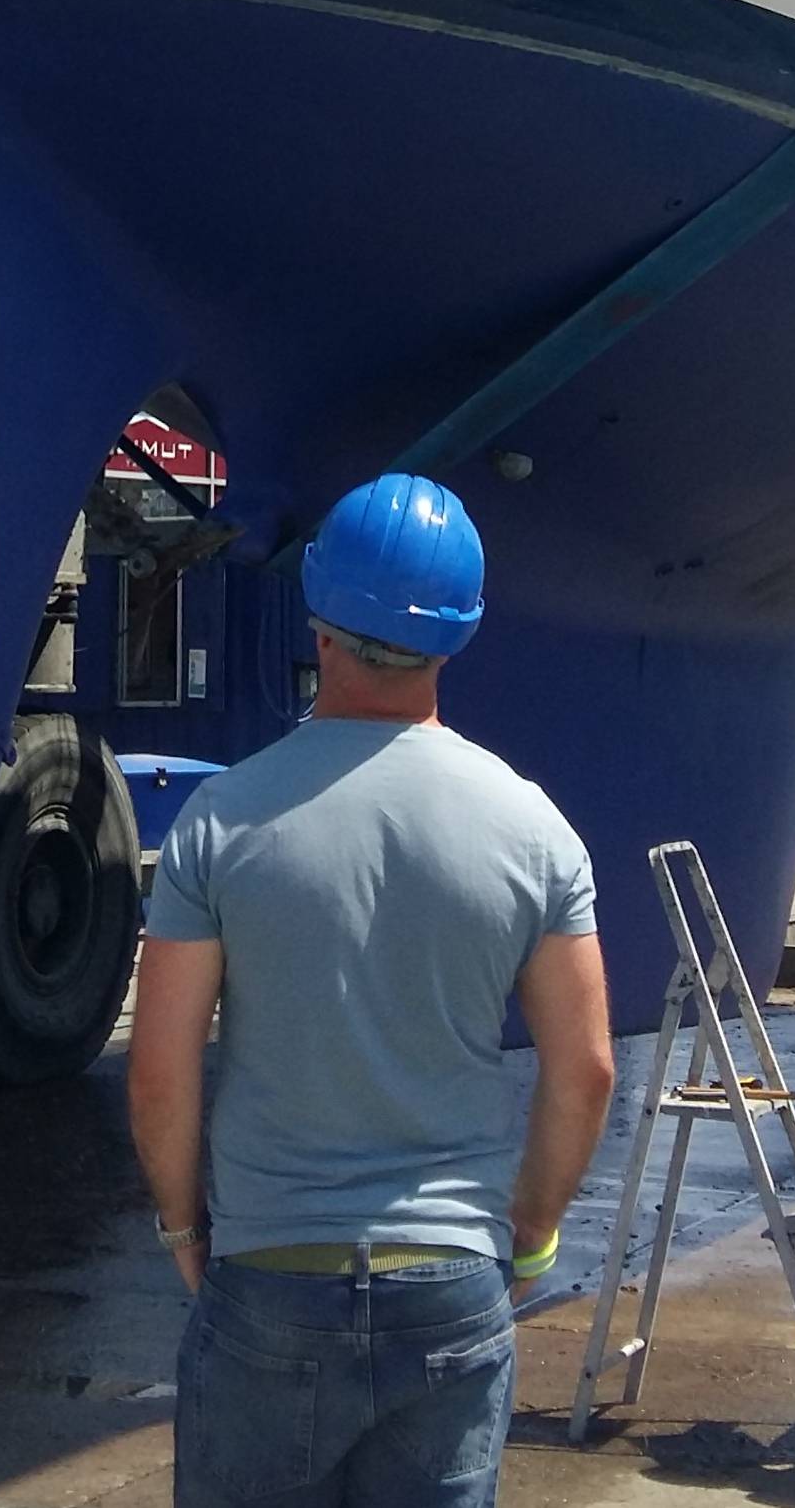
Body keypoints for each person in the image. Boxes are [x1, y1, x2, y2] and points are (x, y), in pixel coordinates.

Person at [128, 472, 616, 1507]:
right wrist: (527, 1236)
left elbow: (163, 1062)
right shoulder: (534, 832)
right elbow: (586, 1069)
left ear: (319, 618)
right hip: (450, 1283)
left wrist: (185, 1228)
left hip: (269, 1273)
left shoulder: (220, 822)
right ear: (460, 631)